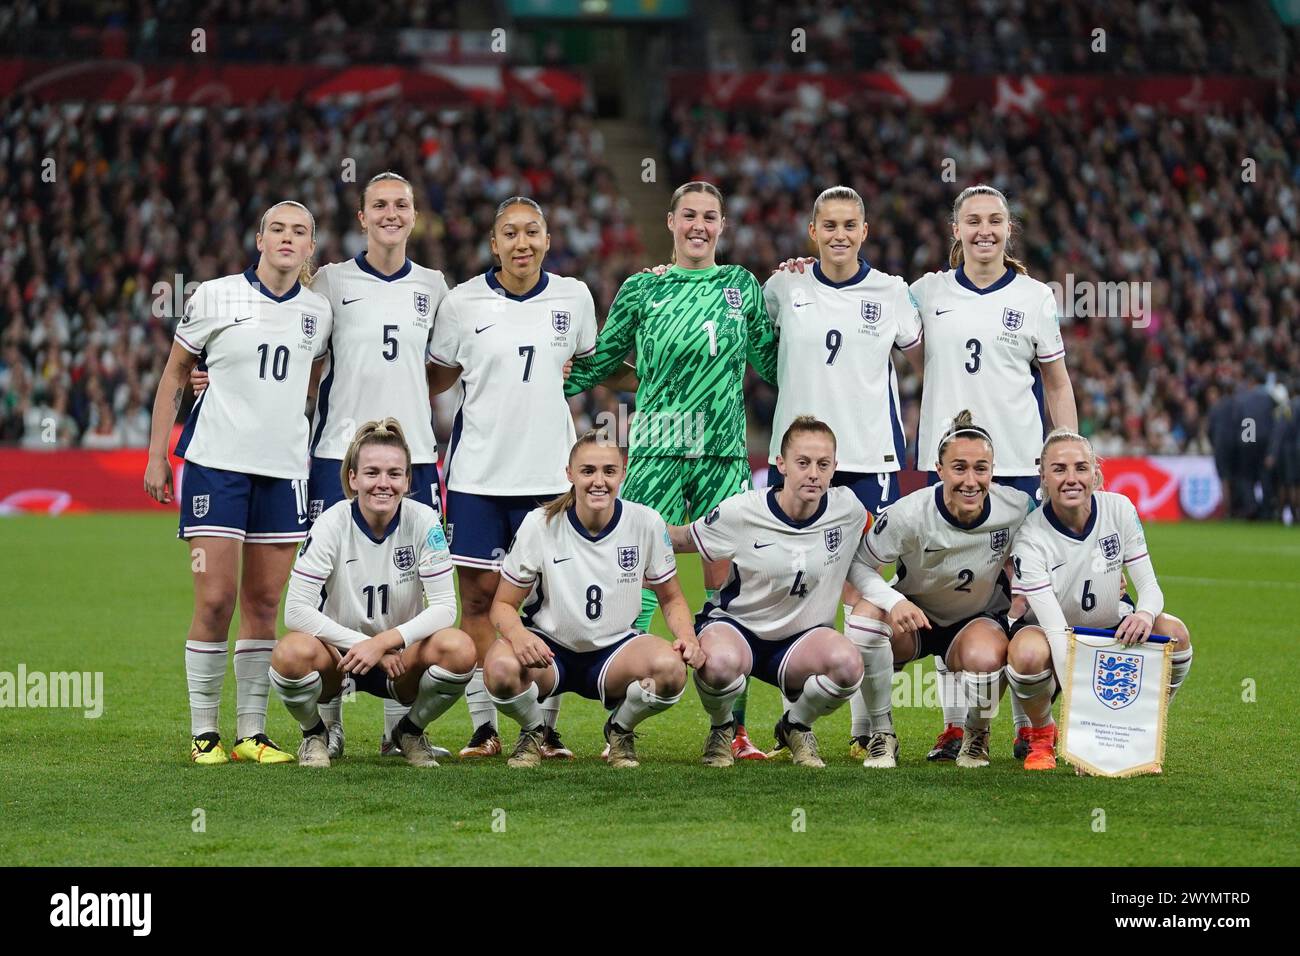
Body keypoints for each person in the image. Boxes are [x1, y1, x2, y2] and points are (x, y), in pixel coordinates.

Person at [191, 172, 455, 761]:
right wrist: (213, 376)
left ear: (415, 215)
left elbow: (442, 368)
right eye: (379, 205)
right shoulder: (332, 282)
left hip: (412, 454)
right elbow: (288, 350)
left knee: (410, 588)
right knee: (337, 585)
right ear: (361, 217)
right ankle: (329, 725)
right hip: (336, 452)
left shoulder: (437, 287)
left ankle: (396, 731)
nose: (391, 214)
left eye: (402, 205)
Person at [565, 181, 779, 759]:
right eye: (690, 215)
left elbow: (774, 360)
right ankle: (623, 727)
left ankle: (729, 729)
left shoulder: (742, 287)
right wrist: (537, 375)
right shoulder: (641, 289)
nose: (699, 226)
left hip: (725, 453)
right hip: (657, 448)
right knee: (631, 582)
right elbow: (603, 361)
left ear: (722, 226)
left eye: (710, 217)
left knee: (730, 595)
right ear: (671, 221)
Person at [144, 200, 332, 765]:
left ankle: (252, 732)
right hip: (216, 464)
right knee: (216, 597)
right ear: (259, 238)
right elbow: (175, 372)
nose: (286, 238)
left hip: (283, 470)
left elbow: (313, 380)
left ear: (308, 249)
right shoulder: (215, 295)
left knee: (265, 600)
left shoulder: (318, 313)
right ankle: (205, 732)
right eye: (277, 228)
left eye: (299, 232)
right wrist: (158, 457)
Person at [910, 184, 1077, 761]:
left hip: (1016, 472)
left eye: (996, 220)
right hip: (946, 470)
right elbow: (868, 312)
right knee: (947, 594)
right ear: (955, 230)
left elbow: (1055, 382)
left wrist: (1064, 449)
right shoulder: (924, 293)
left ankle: (1031, 729)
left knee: (1017, 601)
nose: (985, 229)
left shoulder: (1034, 297)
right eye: (973, 220)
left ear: (1010, 230)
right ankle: (958, 728)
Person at [428, 196, 598, 759]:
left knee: (551, 606)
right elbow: (435, 374)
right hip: (478, 476)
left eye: (532, 232)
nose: (521, 243)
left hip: (551, 478)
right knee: (476, 603)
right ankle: (486, 727)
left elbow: (590, 366)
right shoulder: (461, 302)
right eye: (509, 234)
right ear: (493, 244)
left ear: (547, 240)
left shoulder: (574, 298)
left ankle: (543, 726)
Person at [760, 185, 923, 758]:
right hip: (798, 464)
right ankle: (793, 722)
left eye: (849, 225)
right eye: (828, 225)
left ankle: (875, 730)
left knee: (867, 598)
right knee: (794, 590)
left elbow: (926, 363)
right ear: (812, 231)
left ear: (864, 230)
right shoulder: (782, 286)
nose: (839, 234)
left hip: (869, 461)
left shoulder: (893, 292)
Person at [485, 430, 703, 767]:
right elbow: (502, 606)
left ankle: (620, 730)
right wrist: (517, 635)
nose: (598, 481)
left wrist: (687, 637)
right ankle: (532, 731)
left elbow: (671, 598)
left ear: (623, 473)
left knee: (671, 671)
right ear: (569, 474)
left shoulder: (646, 522)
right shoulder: (539, 525)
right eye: (587, 471)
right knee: (499, 670)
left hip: (615, 651)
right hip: (549, 649)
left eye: (608, 471)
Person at [268, 419, 476, 767]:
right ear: (353, 478)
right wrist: (361, 645)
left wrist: (383, 644)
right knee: (289, 653)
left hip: (400, 661)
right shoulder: (332, 523)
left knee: (459, 648)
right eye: (372, 473)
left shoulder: (424, 521)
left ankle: (410, 731)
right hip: (340, 660)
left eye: (395, 474)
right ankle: (314, 733)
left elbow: (444, 609)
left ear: (408, 480)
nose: (383, 483)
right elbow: (295, 610)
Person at [669, 417, 866, 768]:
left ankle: (795, 726)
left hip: (802, 641)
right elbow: (684, 539)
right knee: (717, 665)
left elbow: (884, 536)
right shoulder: (742, 511)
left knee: (849, 665)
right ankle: (722, 728)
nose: (813, 474)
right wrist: (622, 524)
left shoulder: (847, 509)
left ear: (835, 467)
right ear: (781, 464)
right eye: (803, 463)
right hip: (738, 630)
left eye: (823, 465)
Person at [846, 411, 1033, 768]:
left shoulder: (1016, 508)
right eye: (959, 468)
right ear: (940, 468)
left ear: (993, 470)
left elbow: (1052, 540)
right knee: (863, 623)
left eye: (981, 468)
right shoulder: (909, 514)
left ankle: (976, 735)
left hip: (974, 621)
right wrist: (893, 600)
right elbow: (859, 564)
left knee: (985, 658)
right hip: (915, 618)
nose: (971, 480)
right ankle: (882, 735)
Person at [1006, 429, 1194, 770]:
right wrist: (1083, 729)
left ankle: (1140, 726)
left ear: (1096, 472)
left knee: (1175, 634)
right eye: (1059, 469)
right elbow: (1057, 634)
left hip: (1110, 629)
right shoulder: (1031, 537)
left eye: (1081, 467)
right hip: (1052, 637)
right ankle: (1042, 733)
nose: (1071, 478)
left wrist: (1146, 615)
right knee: (1027, 654)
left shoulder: (1119, 509)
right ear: (1043, 477)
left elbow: (1150, 589)